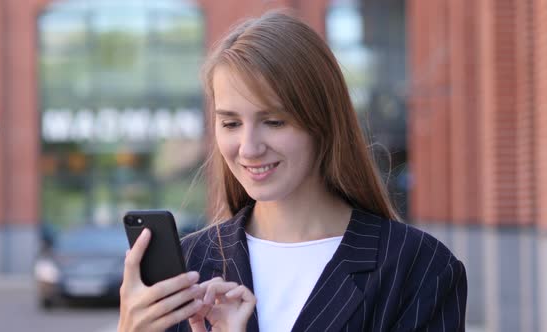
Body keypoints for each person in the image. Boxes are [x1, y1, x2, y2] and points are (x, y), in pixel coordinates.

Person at [118, 10, 467, 332]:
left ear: (323, 122)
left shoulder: (417, 268)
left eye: (274, 121)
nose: (249, 147)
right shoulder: (189, 268)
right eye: (230, 122)